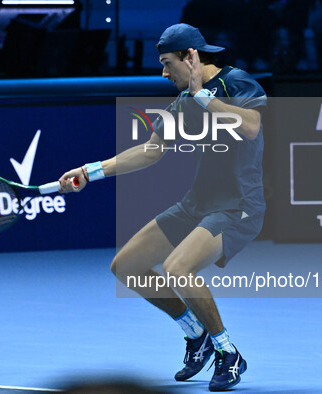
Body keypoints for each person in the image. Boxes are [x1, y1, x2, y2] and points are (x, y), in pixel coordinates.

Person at [59, 23, 267, 391]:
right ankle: (194, 332)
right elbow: (150, 150)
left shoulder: (238, 82)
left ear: (191, 57)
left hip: (238, 207)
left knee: (178, 268)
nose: (163, 72)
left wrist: (203, 96)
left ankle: (227, 351)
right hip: (196, 205)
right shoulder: (182, 103)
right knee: (126, 266)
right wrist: (90, 172)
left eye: (167, 63)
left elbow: (250, 126)